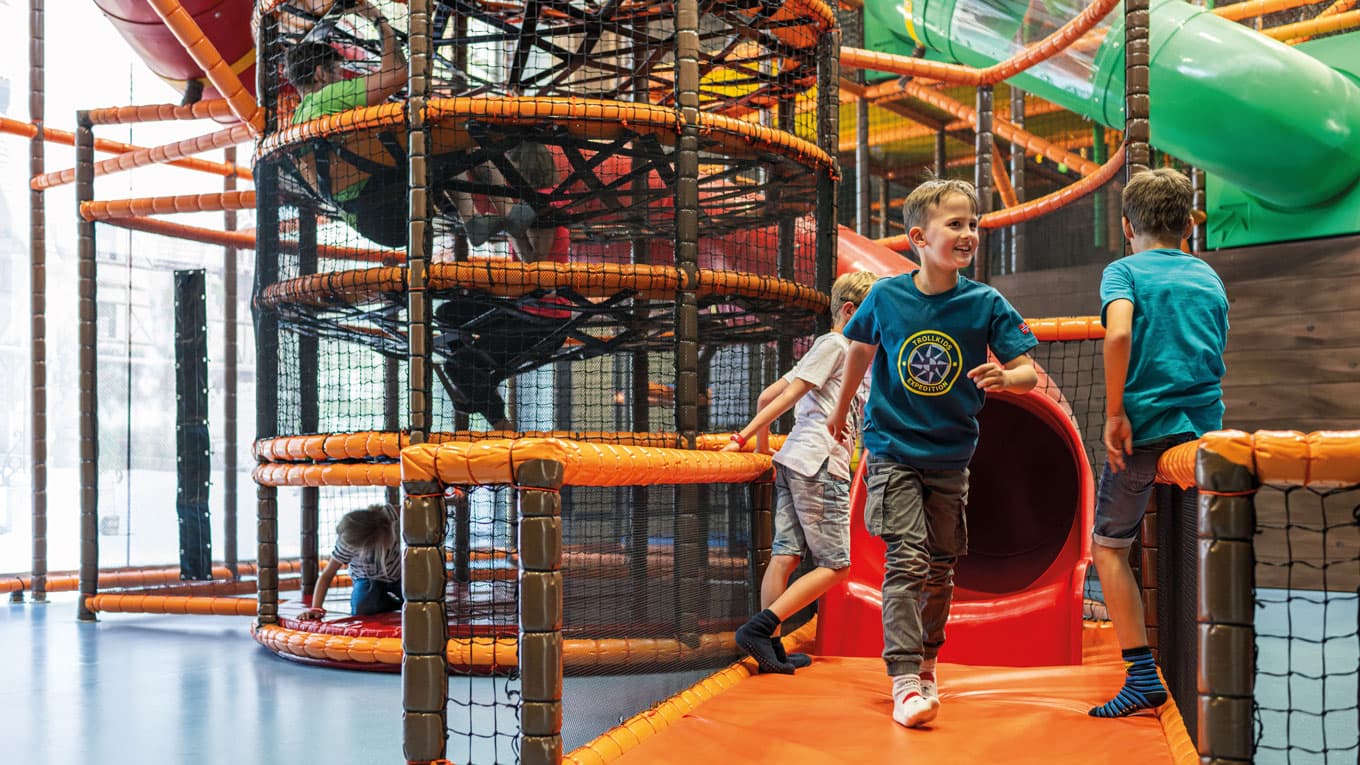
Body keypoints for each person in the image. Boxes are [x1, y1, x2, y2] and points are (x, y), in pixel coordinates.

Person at [825, 178, 1038, 728]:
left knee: (942, 567)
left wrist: (1007, 377)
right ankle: (902, 681)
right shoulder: (887, 297)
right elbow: (860, 349)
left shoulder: (984, 303)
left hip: (950, 456)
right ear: (919, 237)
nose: (969, 233)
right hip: (893, 448)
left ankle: (926, 663)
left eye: (973, 224)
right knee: (907, 559)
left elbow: (1027, 372)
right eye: (956, 224)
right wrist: (841, 408)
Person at [1088, 168, 1228, 718]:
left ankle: (1143, 675)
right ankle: (1206, 666)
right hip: (1202, 436)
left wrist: (1116, 411)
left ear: (1128, 226)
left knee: (1110, 548)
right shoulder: (1209, 277)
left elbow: (1119, 332)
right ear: (1188, 224)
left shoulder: (1123, 271)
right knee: (1200, 546)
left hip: (1145, 435)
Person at [724, 270, 879, 674]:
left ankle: (769, 651)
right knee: (837, 565)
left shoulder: (831, 347)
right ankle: (760, 630)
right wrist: (742, 440)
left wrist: (762, 452)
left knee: (786, 557)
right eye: (873, 313)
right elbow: (791, 396)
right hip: (820, 465)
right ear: (850, 310)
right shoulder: (840, 346)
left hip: (795, 460)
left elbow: (765, 396)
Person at [284, 0, 409, 247]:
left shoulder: (295, 122)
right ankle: (478, 217)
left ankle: (475, 219)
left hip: (364, 219)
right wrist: (378, 20)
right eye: (338, 73)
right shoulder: (327, 97)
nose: (342, 79)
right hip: (388, 202)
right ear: (320, 73)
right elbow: (398, 73)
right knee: (457, 132)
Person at [299, 504, 403, 619]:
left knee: (420, 595)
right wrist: (316, 608)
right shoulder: (346, 545)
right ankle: (386, 602)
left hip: (398, 576)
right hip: (368, 580)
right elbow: (327, 575)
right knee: (362, 608)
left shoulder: (385, 516)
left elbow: (412, 507)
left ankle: (397, 601)